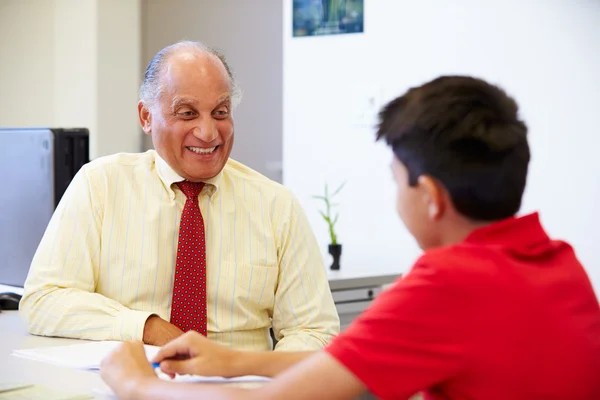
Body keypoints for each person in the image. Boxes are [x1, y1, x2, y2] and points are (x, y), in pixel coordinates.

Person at [100, 75, 600, 400]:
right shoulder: (557, 263)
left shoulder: (448, 285)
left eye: (394, 176)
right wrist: (236, 361)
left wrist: (135, 383)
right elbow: (358, 356)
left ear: (428, 196)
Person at [19, 41, 339, 350]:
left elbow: (314, 330)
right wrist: (148, 328)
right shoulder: (99, 186)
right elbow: (44, 300)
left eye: (220, 112)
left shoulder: (276, 206)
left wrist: (261, 383)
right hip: (129, 385)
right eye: (187, 113)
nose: (208, 132)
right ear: (146, 117)